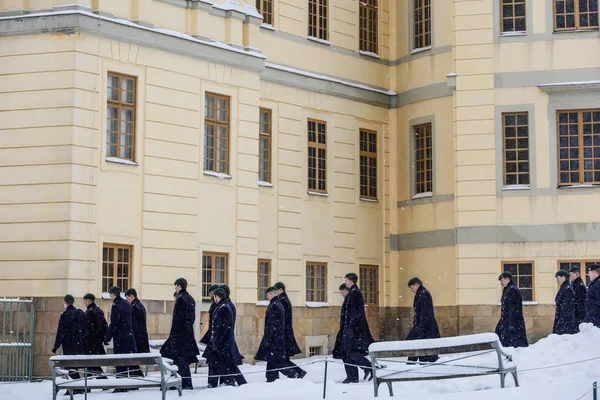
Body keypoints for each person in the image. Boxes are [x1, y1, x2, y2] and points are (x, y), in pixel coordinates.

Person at [160, 278, 199, 390]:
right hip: (187, 334)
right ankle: (182, 381)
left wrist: (173, 335)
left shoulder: (181, 300)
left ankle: (182, 382)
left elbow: (177, 320)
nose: (175, 288)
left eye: (176, 286)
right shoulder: (190, 299)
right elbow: (191, 318)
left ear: (179, 286)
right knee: (182, 360)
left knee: (180, 359)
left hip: (180, 335)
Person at [255, 286, 301, 382]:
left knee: (276, 360)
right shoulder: (278, 304)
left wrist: (267, 338)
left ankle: (292, 374)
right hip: (278, 337)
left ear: (271, 294)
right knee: (272, 360)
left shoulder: (274, 305)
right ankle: (271, 378)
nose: (267, 297)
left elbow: (272, 325)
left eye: (267, 295)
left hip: (275, 338)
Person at [202, 288, 246, 387]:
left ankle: (240, 383)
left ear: (217, 296)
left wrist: (216, 342)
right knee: (215, 363)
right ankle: (214, 383)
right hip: (222, 343)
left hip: (223, 343)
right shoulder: (223, 306)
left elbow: (222, 328)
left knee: (229, 364)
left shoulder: (224, 307)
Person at [340, 273, 374, 384]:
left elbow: (355, 313)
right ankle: (353, 375)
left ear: (350, 281)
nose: (345, 282)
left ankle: (367, 368)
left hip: (353, 329)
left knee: (350, 352)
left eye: (346, 280)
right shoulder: (352, 293)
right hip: (350, 327)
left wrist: (350, 328)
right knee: (347, 352)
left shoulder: (355, 293)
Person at [104, 286, 138, 393]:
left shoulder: (116, 306)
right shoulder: (127, 304)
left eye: (110, 294)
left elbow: (114, 324)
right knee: (128, 361)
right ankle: (130, 384)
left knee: (120, 362)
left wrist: (107, 337)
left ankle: (121, 385)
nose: (110, 296)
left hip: (121, 338)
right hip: (129, 336)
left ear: (113, 295)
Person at [52, 294, 86, 394]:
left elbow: (60, 332)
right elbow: (86, 329)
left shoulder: (64, 315)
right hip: (79, 344)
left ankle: (73, 388)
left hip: (68, 345)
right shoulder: (80, 313)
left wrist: (56, 346)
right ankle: (77, 387)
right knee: (74, 366)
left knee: (70, 367)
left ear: (65, 302)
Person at [274, 281, 306, 379]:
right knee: (284, 358)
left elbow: (283, 317)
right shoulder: (283, 299)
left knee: (281, 358)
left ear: (280, 290)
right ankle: (299, 372)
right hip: (285, 331)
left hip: (284, 332)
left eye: (276, 290)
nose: (275, 293)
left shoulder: (283, 300)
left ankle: (294, 373)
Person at [405, 277, 440, 364]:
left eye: (412, 287)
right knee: (422, 350)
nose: (411, 290)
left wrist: (420, 328)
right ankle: (412, 365)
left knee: (421, 349)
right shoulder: (421, 293)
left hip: (425, 328)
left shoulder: (423, 294)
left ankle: (411, 365)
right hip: (424, 328)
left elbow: (425, 314)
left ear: (417, 285)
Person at [219, 284, 246, 386]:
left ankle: (236, 381)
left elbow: (224, 325)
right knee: (226, 362)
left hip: (226, 339)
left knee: (229, 362)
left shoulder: (226, 306)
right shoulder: (229, 305)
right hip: (227, 338)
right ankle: (228, 380)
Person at [495, 271, 528, 348]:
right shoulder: (508, 289)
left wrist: (511, 324)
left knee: (513, 345)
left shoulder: (512, 290)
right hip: (508, 322)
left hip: (512, 323)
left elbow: (513, 309)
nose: (501, 283)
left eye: (502, 280)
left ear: (507, 279)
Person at [82, 293, 108, 380]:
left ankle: (90, 384)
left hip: (91, 342)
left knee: (90, 364)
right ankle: (98, 381)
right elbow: (104, 325)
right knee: (92, 364)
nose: (84, 302)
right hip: (97, 342)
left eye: (85, 301)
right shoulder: (98, 310)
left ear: (88, 301)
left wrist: (85, 338)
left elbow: (90, 328)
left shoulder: (90, 312)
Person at [124, 288, 149, 378]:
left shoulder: (135, 307)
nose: (127, 300)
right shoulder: (138, 306)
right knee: (133, 360)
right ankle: (137, 376)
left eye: (127, 298)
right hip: (139, 337)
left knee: (133, 359)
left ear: (132, 296)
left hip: (137, 337)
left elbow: (135, 324)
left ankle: (137, 377)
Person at [200, 284, 220, 388]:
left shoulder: (218, 305)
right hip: (213, 336)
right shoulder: (214, 304)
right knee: (213, 360)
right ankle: (213, 381)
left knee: (215, 361)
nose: (210, 295)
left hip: (215, 337)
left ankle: (214, 382)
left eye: (211, 293)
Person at [553, 270, 578, 335]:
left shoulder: (567, 289)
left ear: (563, 277)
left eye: (558, 278)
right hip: (563, 321)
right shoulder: (564, 288)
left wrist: (561, 323)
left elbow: (567, 309)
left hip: (565, 323)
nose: (557, 281)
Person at [332, 284, 349, 361]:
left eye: (341, 291)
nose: (341, 293)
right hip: (345, 329)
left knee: (350, 354)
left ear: (345, 291)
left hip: (347, 329)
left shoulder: (349, 300)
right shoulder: (347, 299)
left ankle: (368, 366)